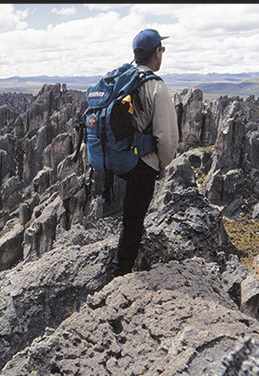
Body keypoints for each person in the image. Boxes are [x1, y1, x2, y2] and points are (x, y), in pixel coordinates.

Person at [109, 28, 179, 276]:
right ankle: (121, 271)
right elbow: (167, 136)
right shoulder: (156, 87)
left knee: (131, 212)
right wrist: (163, 164)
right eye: (162, 49)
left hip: (121, 158)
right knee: (134, 219)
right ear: (156, 53)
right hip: (143, 163)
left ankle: (123, 259)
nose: (163, 54)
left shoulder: (125, 79)